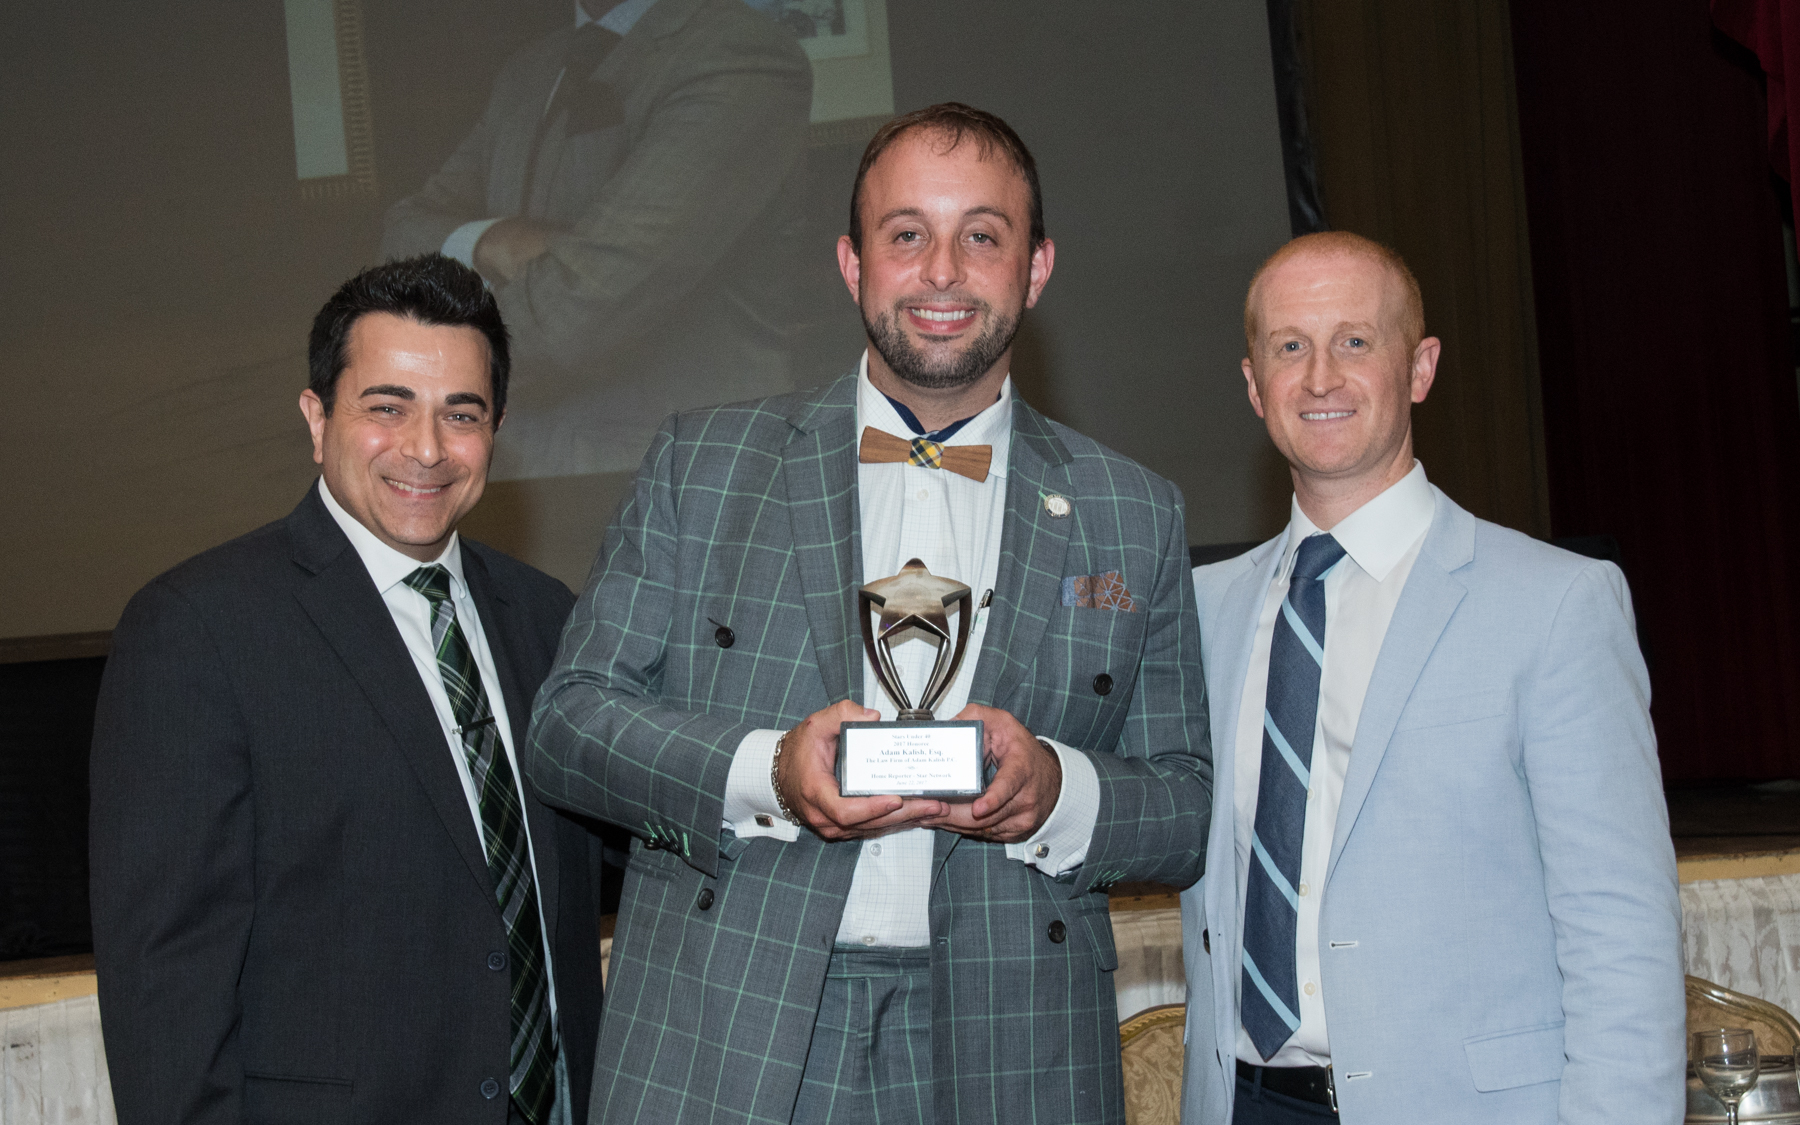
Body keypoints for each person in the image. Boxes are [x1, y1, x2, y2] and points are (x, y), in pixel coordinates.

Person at [527, 103, 1212, 1124]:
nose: (942, 272)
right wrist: (769, 770)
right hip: (733, 1028)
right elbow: (569, 726)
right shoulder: (702, 465)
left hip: (1013, 1047)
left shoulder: (1133, 512)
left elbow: (1183, 806)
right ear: (853, 264)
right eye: (906, 235)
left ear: (1036, 269)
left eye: (982, 236)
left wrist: (1055, 788)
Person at [1180, 231, 1684, 1124]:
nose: (1321, 377)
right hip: (1243, 1102)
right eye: (1290, 346)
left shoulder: (1557, 603)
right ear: (1255, 385)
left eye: (1355, 341)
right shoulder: (1199, 610)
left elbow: (1620, 927)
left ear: (1420, 368)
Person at [90, 255, 605, 1125]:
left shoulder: (547, 616)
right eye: (387, 407)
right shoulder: (197, 629)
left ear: (496, 429)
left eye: (461, 414)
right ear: (317, 416)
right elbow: (164, 987)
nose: (427, 449)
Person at [380, 0, 812, 480]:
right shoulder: (529, 68)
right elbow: (401, 232)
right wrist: (490, 240)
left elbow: (574, 316)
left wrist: (410, 368)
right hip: (516, 477)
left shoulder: (737, 53)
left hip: (684, 474)